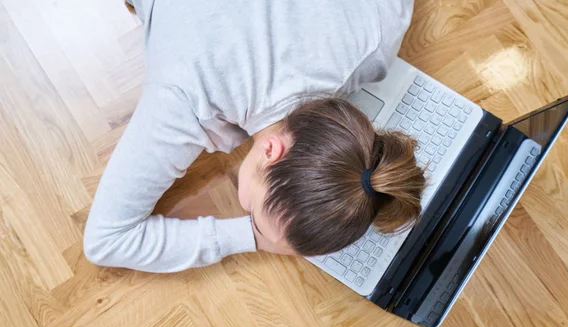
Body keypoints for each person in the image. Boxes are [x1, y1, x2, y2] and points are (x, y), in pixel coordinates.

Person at [83, 0, 425, 272]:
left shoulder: (378, 34)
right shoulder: (190, 95)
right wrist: (251, 237)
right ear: (271, 151)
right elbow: (107, 239)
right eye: (252, 213)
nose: (243, 207)